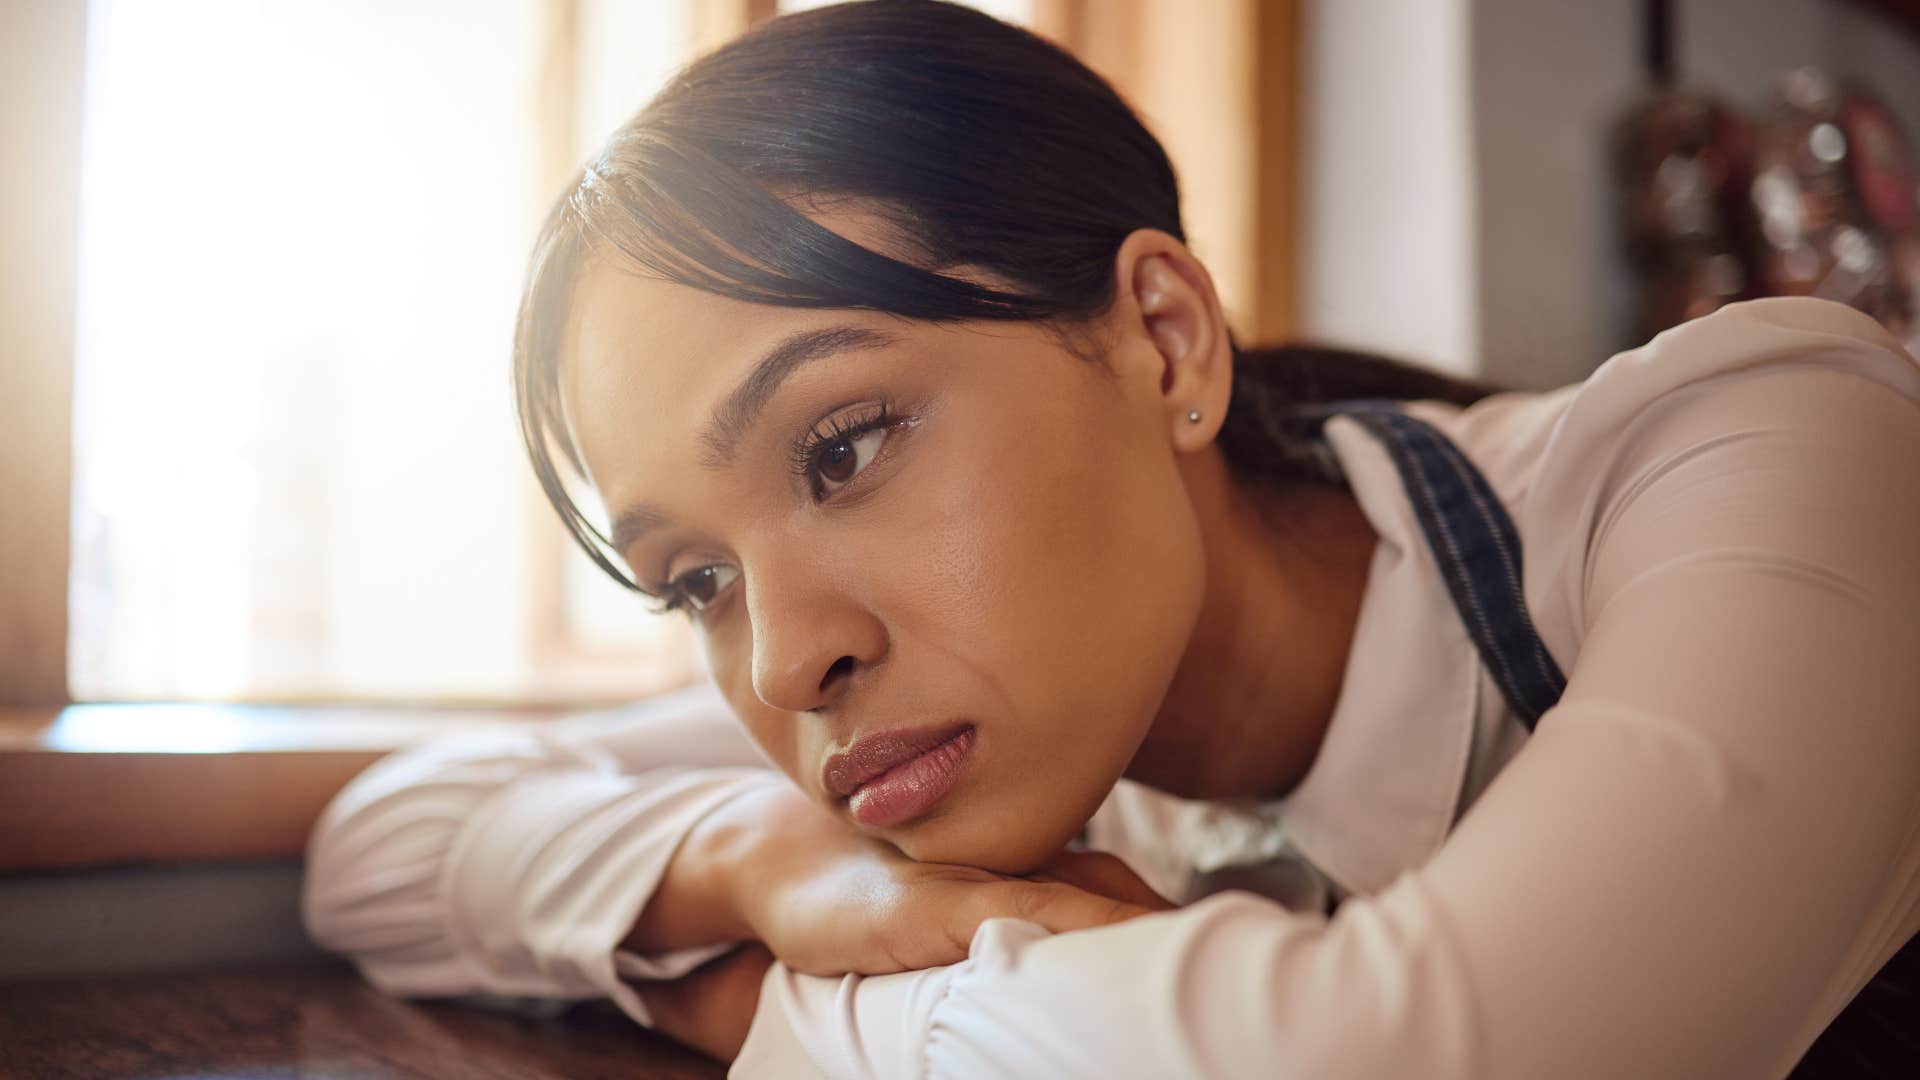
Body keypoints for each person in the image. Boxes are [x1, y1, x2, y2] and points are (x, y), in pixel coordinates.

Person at [301, 2, 1920, 1075]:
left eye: (846, 446)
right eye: (694, 583)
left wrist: (778, 1015)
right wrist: (767, 869)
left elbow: (1436, 1050)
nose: (787, 657)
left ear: (1163, 339)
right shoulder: (1023, 719)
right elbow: (384, 843)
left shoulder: (1775, 445)